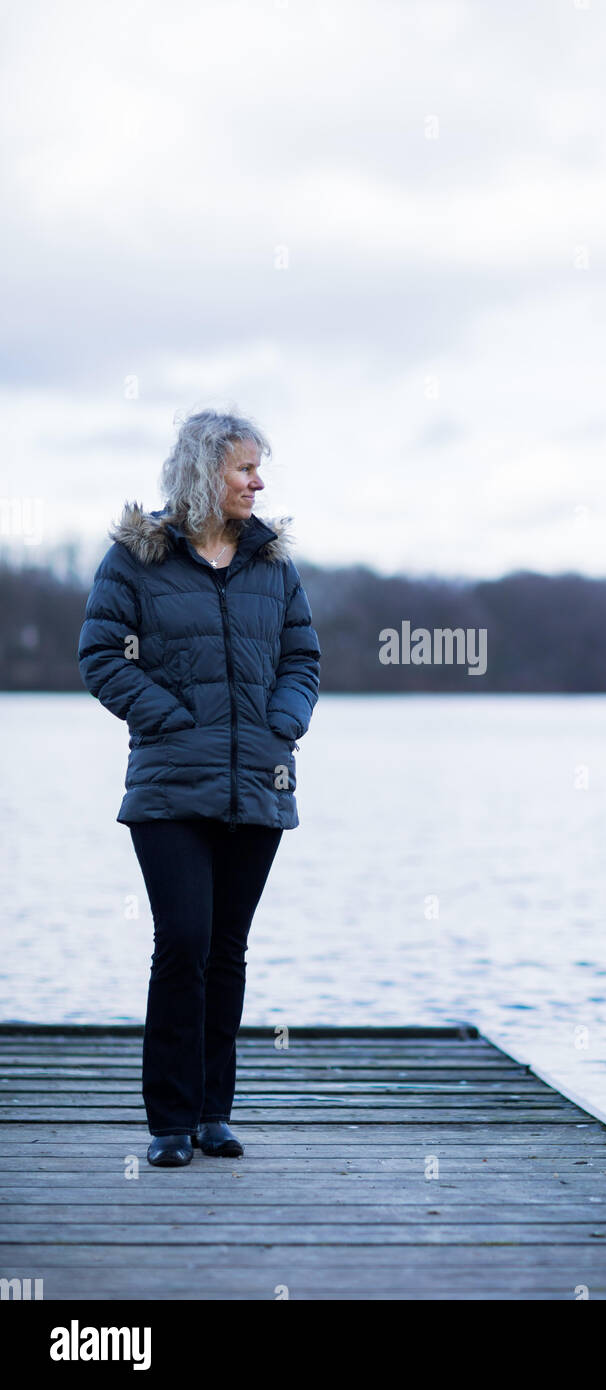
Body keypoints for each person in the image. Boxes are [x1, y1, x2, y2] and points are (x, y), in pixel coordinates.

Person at [77, 409, 321, 1167]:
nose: (258, 481)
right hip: (170, 784)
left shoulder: (273, 565)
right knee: (182, 942)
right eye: (244, 468)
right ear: (203, 473)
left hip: (259, 783)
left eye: (259, 468)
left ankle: (215, 1113)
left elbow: (303, 660)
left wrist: (283, 723)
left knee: (227, 949)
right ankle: (169, 1121)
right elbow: (102, 658)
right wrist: (172, 720)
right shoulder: (136, 560)